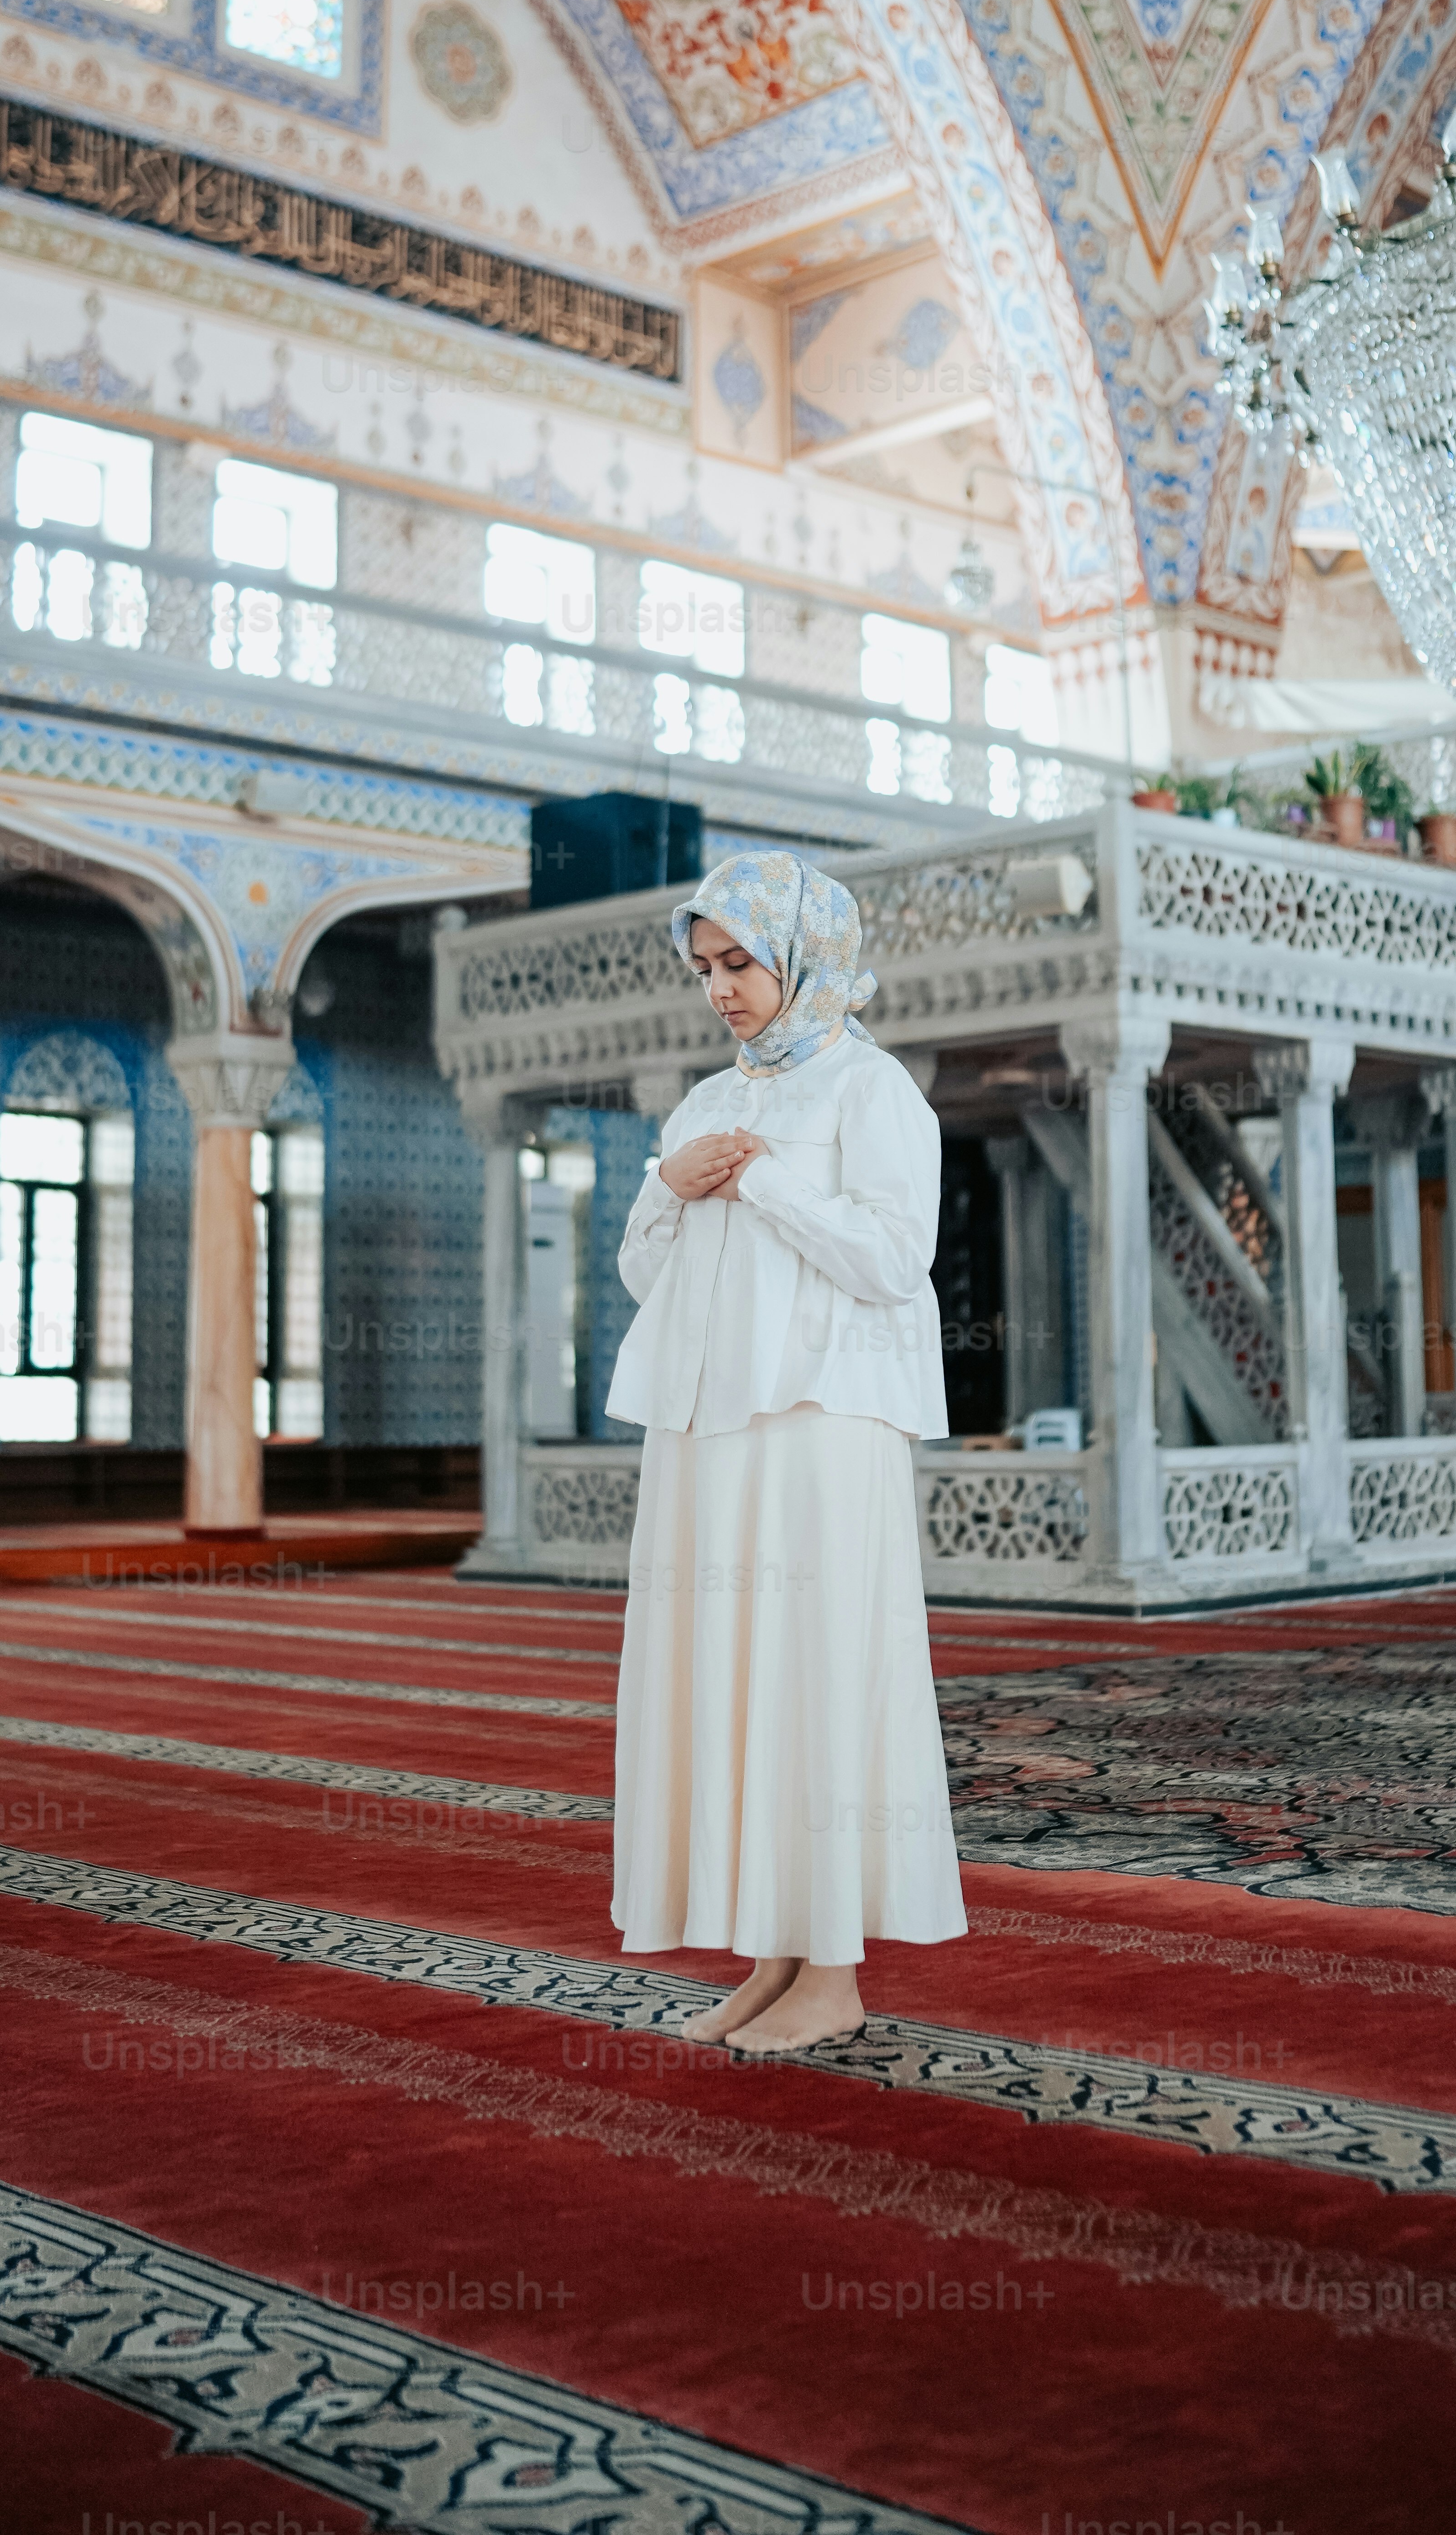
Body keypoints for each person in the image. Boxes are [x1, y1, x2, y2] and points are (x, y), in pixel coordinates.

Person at [605, 849, 966, 2056]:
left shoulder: (873, 1092)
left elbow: (892, 1260)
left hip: (823, 1429)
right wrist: (672, 1185)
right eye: (705, 967)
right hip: (714, 1433)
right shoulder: (710, 1101)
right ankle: (774, 1952)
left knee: (813, 1671)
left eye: (740, 962)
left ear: (801, 954)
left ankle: (837, 1974)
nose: (721, 988)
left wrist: (758, 1191)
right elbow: (646, 1271)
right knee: (736, 1677)